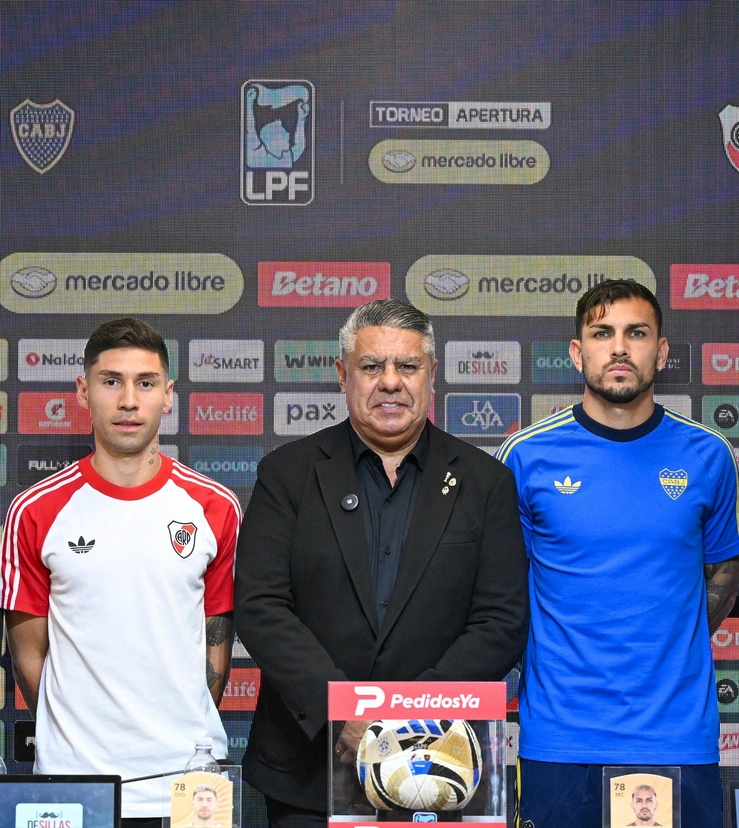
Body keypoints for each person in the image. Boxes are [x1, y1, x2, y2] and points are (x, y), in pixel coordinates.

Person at [234, 298, 528, 826]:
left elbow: (502, 622)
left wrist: (407, 722)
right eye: (371, 366)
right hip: (306, 773)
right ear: (343, 374)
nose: (390, 382)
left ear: (432, 374)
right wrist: (343, 713)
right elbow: (261, 608)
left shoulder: (487, 484)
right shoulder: (287, 474)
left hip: (440, 770)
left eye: (407, 366)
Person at [497, 280, 739, 828]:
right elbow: (504, 590)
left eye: (637, 333)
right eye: (602, 334)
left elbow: (723, 569)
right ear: (579, 353)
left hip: (675, 734)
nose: (620, 348)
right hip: (561, 737)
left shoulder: (710, 455)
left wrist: (667, 637)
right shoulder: (525, 456)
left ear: (663, 351)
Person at [0, 318, 242, 828]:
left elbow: (216, 635)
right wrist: (78, 735)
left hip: (192, 784)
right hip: (74, 782)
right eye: (111, 381)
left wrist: (184, 731)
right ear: (83, 392)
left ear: (168, 395)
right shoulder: (36, 509)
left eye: (146, 383)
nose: (129, 400)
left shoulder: (215, 507)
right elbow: (28, 655)